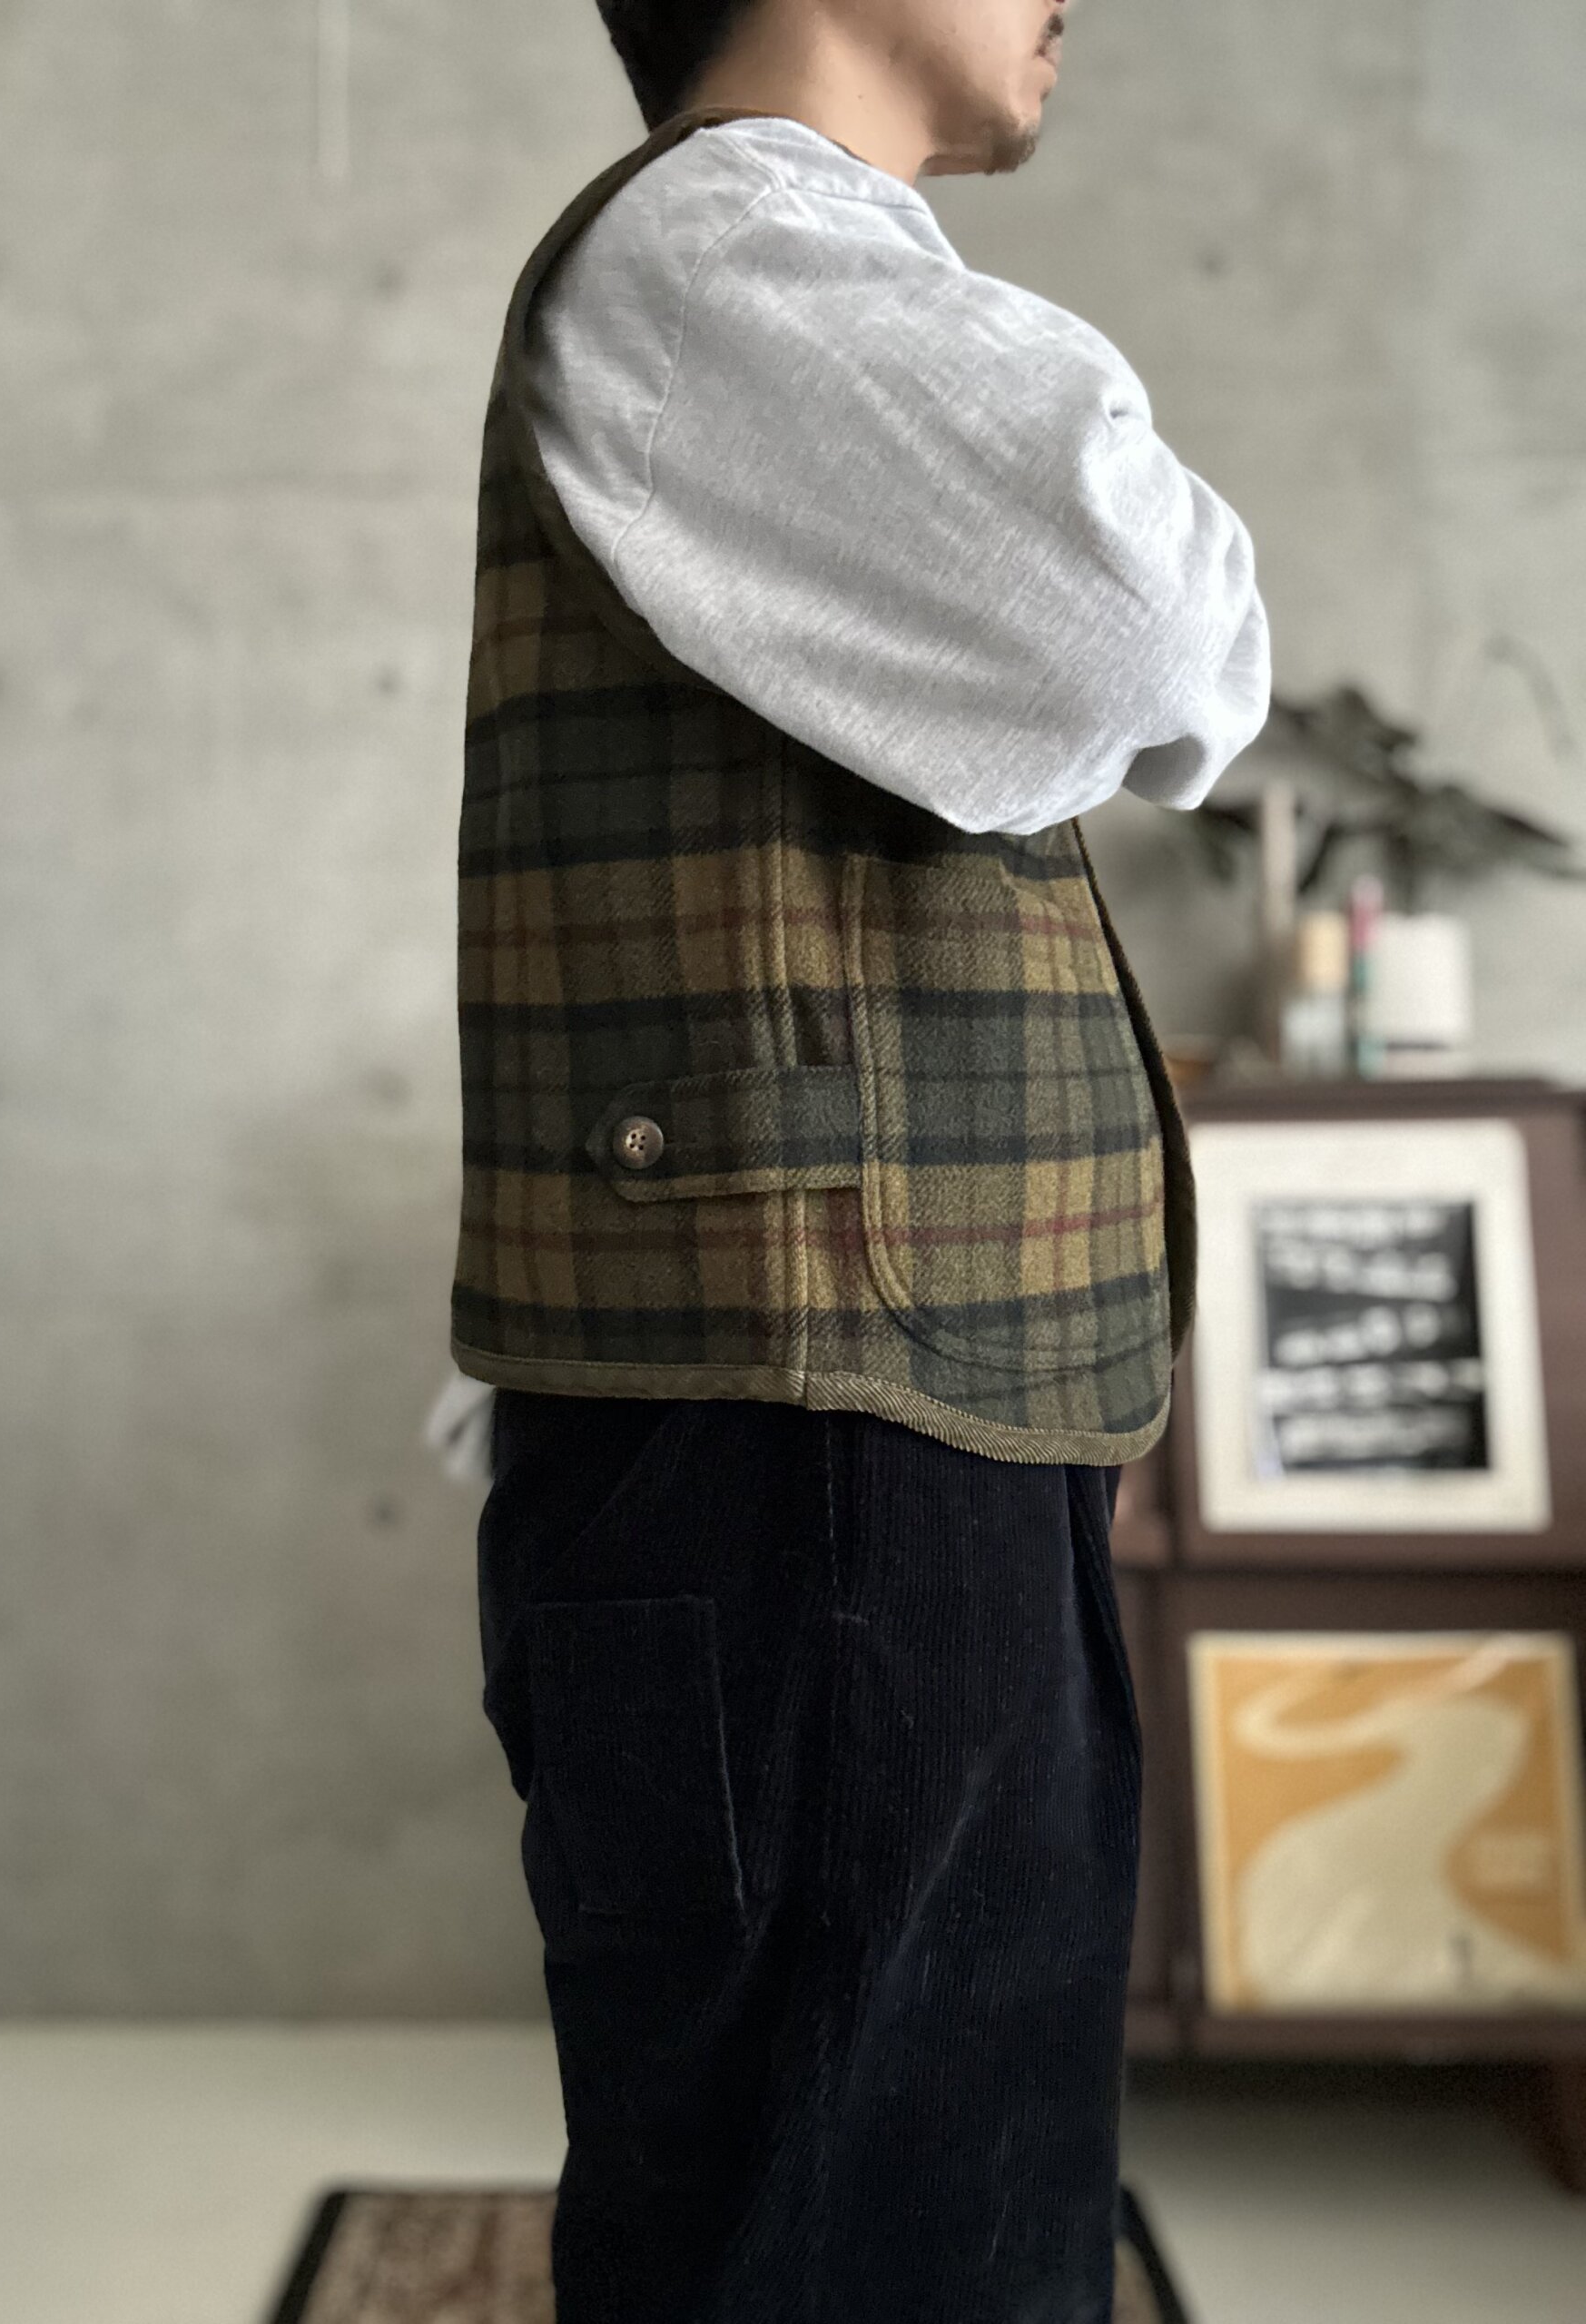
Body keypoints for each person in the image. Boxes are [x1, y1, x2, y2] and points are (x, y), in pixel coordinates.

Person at [454, 3, 1270, 2317]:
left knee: (890, 2199)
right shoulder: (729, 241)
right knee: (872, 2232)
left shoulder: (761, 259)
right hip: (821, 1453)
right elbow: (1155, 624)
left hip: (850, 1431)